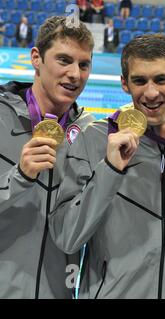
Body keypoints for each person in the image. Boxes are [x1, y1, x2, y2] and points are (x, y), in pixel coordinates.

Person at [49, 34, 165, 298]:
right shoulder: (94, 140)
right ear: (125, 84)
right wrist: (110, 170)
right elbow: (67, 237)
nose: (151, 92)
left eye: (161, 79)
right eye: (140, 81)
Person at [0, 16, 95, 299]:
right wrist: (19, 178)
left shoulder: (91, 134)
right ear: (36, 58)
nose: (75, 74)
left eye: (83, 64)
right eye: (64, 60)